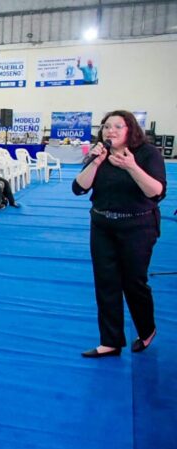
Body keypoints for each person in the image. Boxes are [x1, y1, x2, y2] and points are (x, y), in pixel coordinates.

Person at [73, 110, 166, 358]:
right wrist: (94, 162)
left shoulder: (147, 154)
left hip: (138, 227)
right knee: (106, 282)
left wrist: (132, 167)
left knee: (133, 282)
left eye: (117, 126)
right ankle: (110, 341)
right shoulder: (99, 153)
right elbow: (78, 188)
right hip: (102, 226)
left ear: (130, 130)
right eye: (106, 127)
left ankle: (146, 330)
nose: (110, 131)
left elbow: (156, 192)